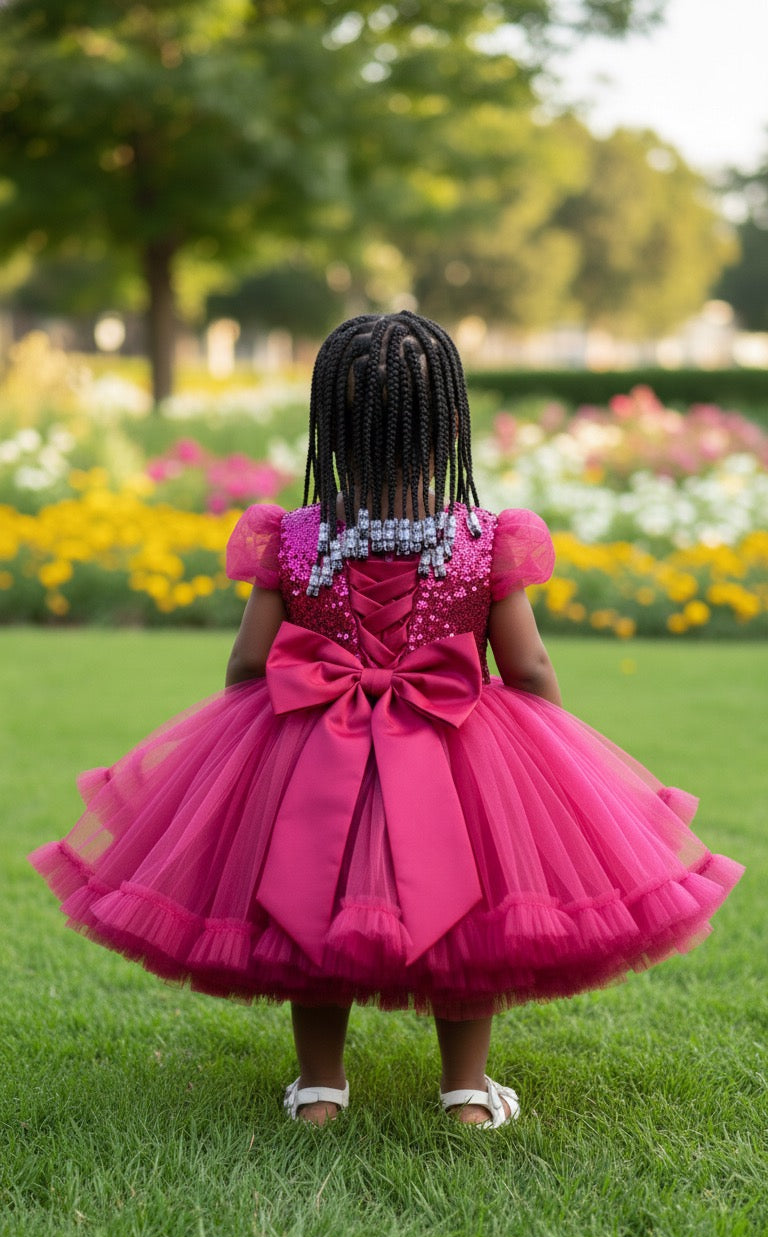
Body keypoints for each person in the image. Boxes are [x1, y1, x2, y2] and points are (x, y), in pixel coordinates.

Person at [28, 311, 744, 1131]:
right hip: (457, 744)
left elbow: (248, 662)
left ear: (329, 429)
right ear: (446, 432)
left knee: (309, 902)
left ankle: (320, 1089)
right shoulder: (483, 539)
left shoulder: (293, 538)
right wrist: (544, 751)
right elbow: (530, 668)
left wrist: (257, 716)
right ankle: (467, 1092)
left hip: (309, 746)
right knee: (480, 915)